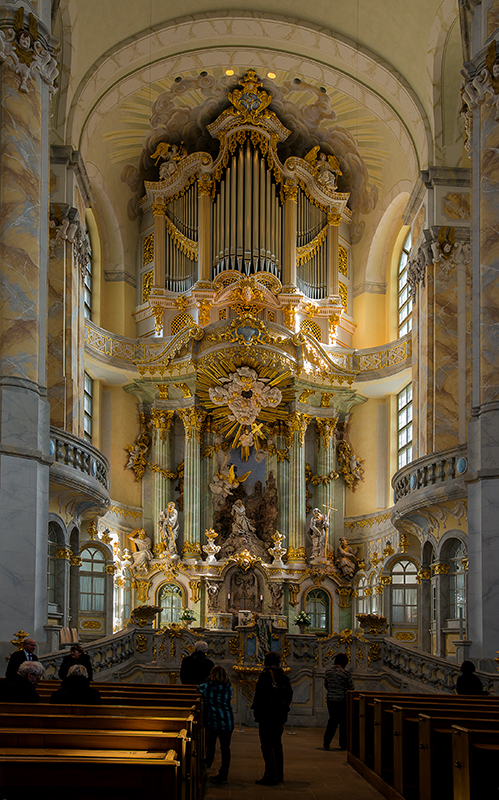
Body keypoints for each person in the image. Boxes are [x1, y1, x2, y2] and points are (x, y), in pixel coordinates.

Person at [251, 651, 293, 786]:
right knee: (277, 744)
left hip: (267, 715)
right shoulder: (283, 676)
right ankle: (279, 774)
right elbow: (289, 696)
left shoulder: (265, 675)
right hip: (279, 715)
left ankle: (270, 774)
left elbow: (260, 696)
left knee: (267, 745)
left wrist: (257, 711)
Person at [198, 665, 234, 785]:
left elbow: (198, 689)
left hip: (213, 720)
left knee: (211, 744)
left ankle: (208, 763)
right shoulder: (228, 688)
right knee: (225, 748)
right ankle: (224, 774)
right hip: (226, 720)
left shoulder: (207, 687)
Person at [323, 652, 354, 751]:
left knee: (332, 720)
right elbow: (351, 688)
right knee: (343, 722)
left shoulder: (328, 671)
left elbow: (326, 685)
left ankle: (327, 741)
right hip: (342, 700)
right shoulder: (346, 673)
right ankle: (343, 743)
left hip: (331, 699)